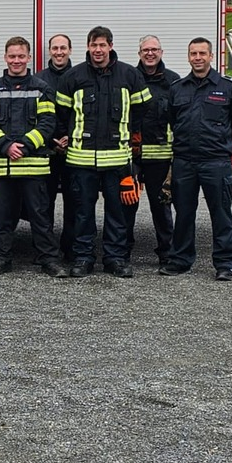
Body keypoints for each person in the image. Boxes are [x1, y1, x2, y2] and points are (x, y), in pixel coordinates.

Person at [55, 26, 150, 278]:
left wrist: (128, 134)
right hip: (80, 160)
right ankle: (83, 258)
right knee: (82, 213)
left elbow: (142, 109)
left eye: (102, 45)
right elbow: (61, 113)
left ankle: (115, 259)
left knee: (117, 212)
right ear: (87, 47)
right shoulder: (73, 77)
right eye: (94, 45)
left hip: (118, 160)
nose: (98, 50)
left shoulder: (129, 75)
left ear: (110, 46)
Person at [160, 37, 232, 281]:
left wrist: (222, 143)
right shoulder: (177, 88)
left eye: (202, 53)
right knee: (184, 214)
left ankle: (225, 264)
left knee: (221, 214)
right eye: (193, 54)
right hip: (185, 161)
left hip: (215, 161)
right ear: (188, 57)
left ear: (211, 56)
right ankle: (180, 260)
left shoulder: (228, 87)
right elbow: (172, 119)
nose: (197, 58)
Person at [0, 37, 59, 276]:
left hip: (33, 166)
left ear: (29, 58)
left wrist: (23, 146)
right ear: (5, 58)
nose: (16, 61)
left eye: (21, 56)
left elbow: (47, 123)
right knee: (2, 217)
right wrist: (5, 146)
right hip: (3, 167)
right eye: (12, 56)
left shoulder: (42, 88)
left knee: (40, 217)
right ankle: (1, 259)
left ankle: (49, 260)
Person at [124, 35, 180, 266]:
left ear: (161, 52)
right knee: (127, 205)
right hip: (132, 156)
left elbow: (180, 120)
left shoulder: (174, 82)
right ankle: (122, 254)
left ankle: (167, 254)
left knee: (162, 206)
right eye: (145, 50)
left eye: (154, 49)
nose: (150, 53)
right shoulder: (129, 78)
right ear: (139, 53)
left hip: (161, 157)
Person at [35, 33, 75, 260]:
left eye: (63, 48)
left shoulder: (80, 76)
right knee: (44, 203)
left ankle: (70, 248)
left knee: (74, 201)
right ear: (49, 51)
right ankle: (46, 250)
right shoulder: (38, 80)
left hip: (74, 150)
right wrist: (51, 140)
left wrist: (71, 137)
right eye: (55, 48)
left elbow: (84, 113)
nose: (59, 52)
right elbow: (34, 116)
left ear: (70, 50)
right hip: (46, 150)